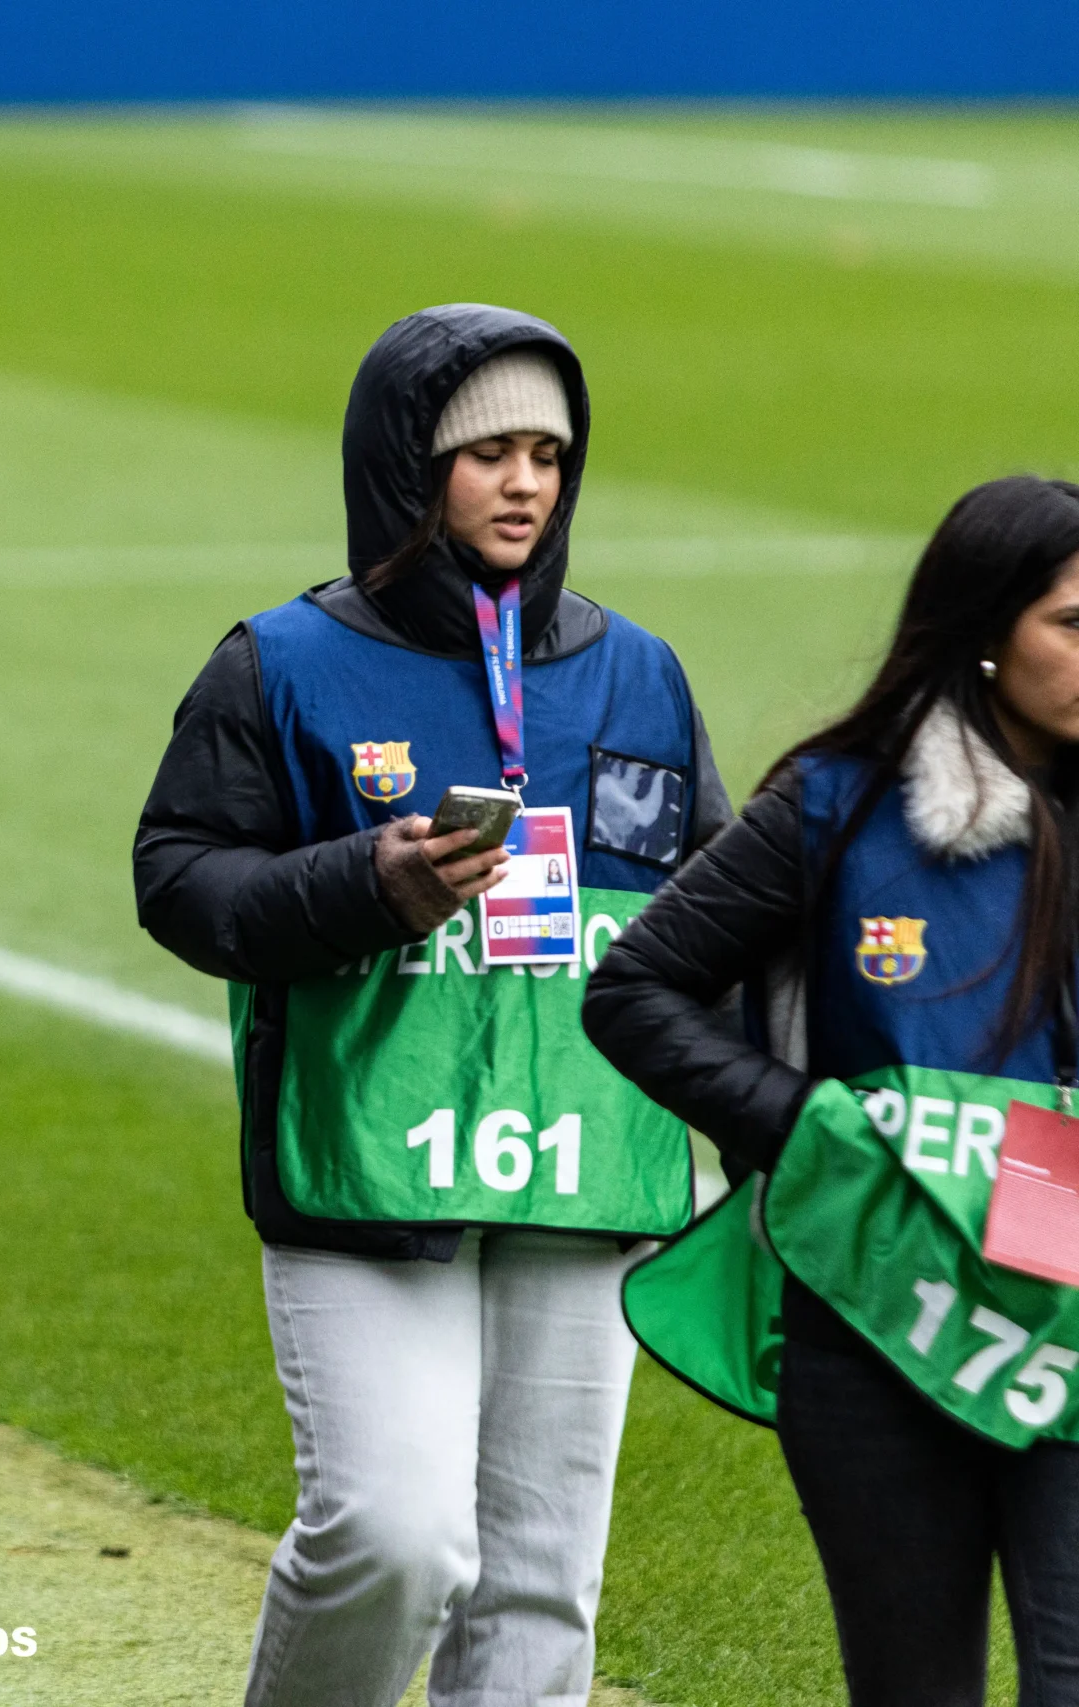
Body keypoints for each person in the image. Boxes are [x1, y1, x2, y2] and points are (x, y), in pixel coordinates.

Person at [135, 304, 729, 1707]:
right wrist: (364, 882)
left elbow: (717, 901)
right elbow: (179, 881)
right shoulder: (282, 662)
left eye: (548, 453)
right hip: (369, 1163)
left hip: (584, 1171)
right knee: (396, 1535)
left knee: (538, 1579)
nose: (526, 482)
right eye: (486, 454)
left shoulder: (636, 669)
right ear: (409, 469)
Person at [587, 476, 1079, 1707]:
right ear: (983, 628)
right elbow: (634, 989)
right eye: (1072, 625)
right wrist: (808, 1127)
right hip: (874, 1313)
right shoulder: (837, 808)